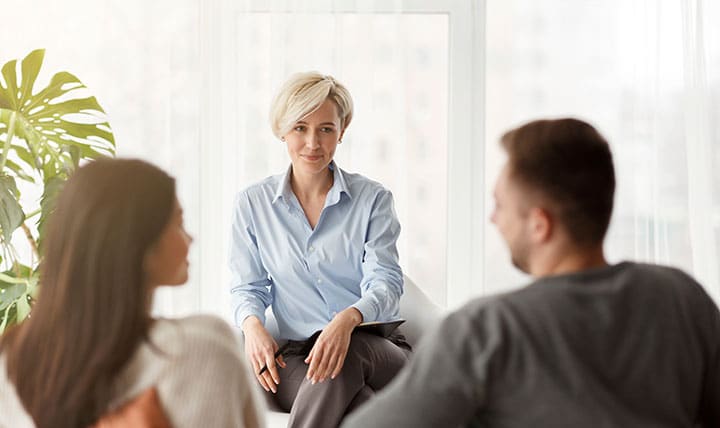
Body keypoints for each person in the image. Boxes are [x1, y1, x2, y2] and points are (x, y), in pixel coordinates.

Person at [341, 118, 720, 428]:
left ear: (540, 225)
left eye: (501, 205)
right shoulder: (683, 298)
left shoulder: (487, 329)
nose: (494, 218)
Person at [0, 159, 264, 428]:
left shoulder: (11, 359)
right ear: (137, 244)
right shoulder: (199, 351)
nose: (190, 238)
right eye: (178, 223)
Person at [230, 71, 409, 428]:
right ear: (282, 130)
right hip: (299, 358)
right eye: (300, 127)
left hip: (375, 352)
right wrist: (252, 328)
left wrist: (347, 321)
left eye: (326, 129)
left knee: (348, 351)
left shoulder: (372, 200)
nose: (313, 142)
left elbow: (386, 282)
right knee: (360, 401)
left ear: (342, 131)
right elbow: (247, 287)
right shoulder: (252, 204)